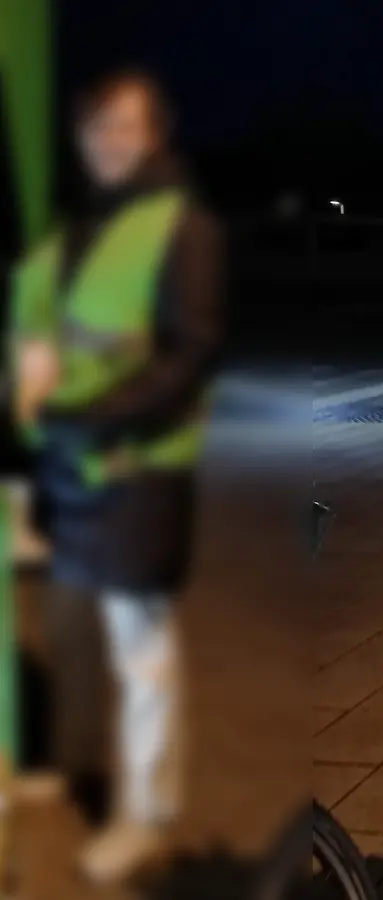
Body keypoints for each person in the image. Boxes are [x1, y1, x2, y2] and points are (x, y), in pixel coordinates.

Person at [7, 69, 224, 884]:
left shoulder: (182, 229)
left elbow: (188, 354)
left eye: (127, 128)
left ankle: (148, 814)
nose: (111, 143)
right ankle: (76, 770)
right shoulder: (68, 238)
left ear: (155, 135)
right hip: (67, 479)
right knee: (67, 633)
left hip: (137, 477)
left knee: (140, 650)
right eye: (99, 128)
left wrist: (77, 417)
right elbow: (32, 345)